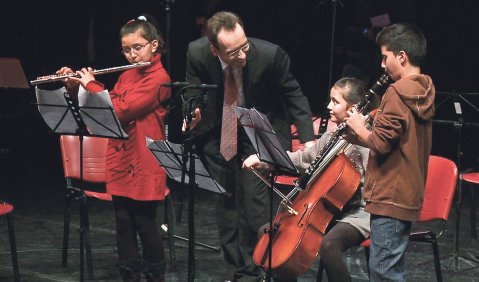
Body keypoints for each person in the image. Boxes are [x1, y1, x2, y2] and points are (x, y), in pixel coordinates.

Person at [183, 11, 315, 281]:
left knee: (255, 207)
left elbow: (294, 95)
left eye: (245, 47)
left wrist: (309, 139)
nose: (242, 56)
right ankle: (236, 271)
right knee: (226, 205)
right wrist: (193, 109)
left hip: (259, 131)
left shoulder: (270, 55)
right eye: (232, 53)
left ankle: (258, 269)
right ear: (214, 49)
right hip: (219, 132)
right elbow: (193, 90)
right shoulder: (197, 53)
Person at [57, 15, 171, 282]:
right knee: (122, 222)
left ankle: (156, 278)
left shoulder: (160, 79)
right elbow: (102, 109)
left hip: (145, 159)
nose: (132, 55)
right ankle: (128, 276)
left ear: (154, 45)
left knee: (145, 224)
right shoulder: (127, 75)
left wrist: (92, 84)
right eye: (126, 49)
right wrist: (75, 88)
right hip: (121, 155)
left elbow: (122, 110)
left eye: (137, 47)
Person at [243, 77, 379, 282]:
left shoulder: (367, 137)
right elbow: (303, 159)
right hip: (328, 210)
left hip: (359, 212)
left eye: (335, 102)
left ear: (352, 108)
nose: (328, 106)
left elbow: (374, 176)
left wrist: (360, 136)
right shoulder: (332, 135)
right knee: (269, 232)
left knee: (329, 245)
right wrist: (267, 159)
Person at [344, 23, 435, 281]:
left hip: (390, 196)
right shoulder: (422, 90)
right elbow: (396, 144)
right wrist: (358, 136)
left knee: (383, 273)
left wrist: (359, 126)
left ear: (402, 56)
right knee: (390, 269)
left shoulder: (396, 92)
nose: (382, 65)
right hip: (405, 193)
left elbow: (382, 144)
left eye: (385, 57)